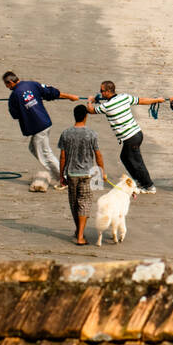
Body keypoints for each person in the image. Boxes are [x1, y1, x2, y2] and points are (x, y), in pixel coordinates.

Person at [89, 80, 167, 194]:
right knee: (125, 157)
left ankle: (148, 186)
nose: (101, 93)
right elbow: (141, 101)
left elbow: (91, 110)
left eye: (102, 91)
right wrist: (156, 100)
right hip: (136, 134)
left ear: (107, 91)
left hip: (130, 137)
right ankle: (138, 180)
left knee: (137, 162)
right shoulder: (124, 97)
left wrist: (90, 101)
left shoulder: (107, 106)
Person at [3, 71, 79, 187]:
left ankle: (64, 179)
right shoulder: (33, 84)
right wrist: (69, 97)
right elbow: (51, 92)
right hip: (45, 123)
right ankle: (60, 176)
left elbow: (15, 114)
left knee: (45, 154)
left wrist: (22, 106)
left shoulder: (14, 96)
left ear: (11, 82)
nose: (7, 87)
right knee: (33, 148)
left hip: (39, 127)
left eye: (7, 85)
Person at [59, 104, 104, 244]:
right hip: (87, 173)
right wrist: (101, 171)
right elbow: (98, 155)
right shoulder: (91, 134)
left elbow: (62, 156)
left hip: (71, 173)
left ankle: (79, 231)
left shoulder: (66, 133)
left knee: (74, 203)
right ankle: (80, 236)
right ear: (86, 116)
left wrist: (61, 175)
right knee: (84, 203)